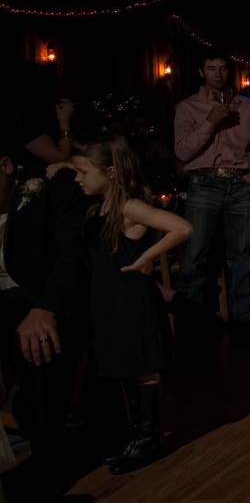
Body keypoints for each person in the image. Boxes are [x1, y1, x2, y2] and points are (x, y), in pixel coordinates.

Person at [72, 136, 192, 474]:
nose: (78, 178)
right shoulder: (98, 208)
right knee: (123, 365)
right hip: (108, 299)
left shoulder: (129, 207)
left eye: (83, 172)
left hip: (130, 299)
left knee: (141, 367)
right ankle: (136, 438)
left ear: (109, 172)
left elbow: (182, 227)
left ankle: (147, 440)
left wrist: (146, 258)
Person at [0, 137, 88, 499]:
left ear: (6, 166)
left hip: (33, 298)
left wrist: (44, 307)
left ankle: (48, 462)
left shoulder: (46, 189)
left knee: (39, 347)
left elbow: (72, 254)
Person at [173, 52, 250, 324]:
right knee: (195, 255)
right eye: (211, 68)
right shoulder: (188, 107)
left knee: (242, 256)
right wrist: (210, 122)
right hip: (204, 182)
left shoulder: (247, 106)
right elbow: (182, 151)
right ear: (201, 72)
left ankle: (243, 321)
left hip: (239, 183)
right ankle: (192, 321)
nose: (217, 73)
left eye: (223, 69)